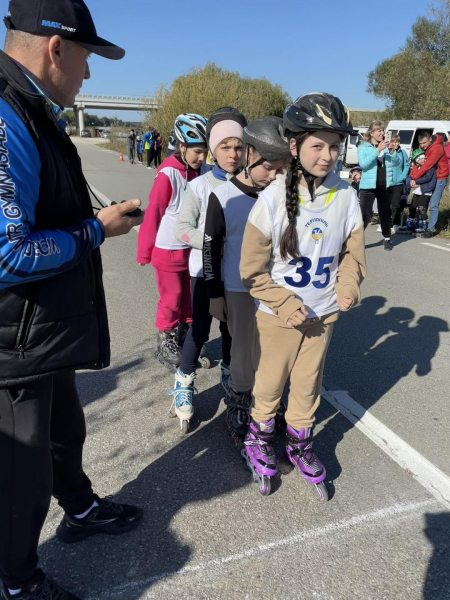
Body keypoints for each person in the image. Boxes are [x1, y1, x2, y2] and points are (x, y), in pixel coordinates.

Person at [0, 1, 145, 599]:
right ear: (56, 48)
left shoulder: (33, 106)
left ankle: (80, 509)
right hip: (13, 340)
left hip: (42, 329)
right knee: (20, 470)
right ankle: (17, 580)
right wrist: (95, 231)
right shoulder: (6, 116)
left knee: (65, 429)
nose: (88, 75)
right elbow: (8, 254)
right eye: (86, 57)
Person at [240, 93, 366, 498]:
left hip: (323, 315)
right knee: (270, 383)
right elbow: (252, 272)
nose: (327, 155)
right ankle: (258, 439)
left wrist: (348, 284)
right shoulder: (272, 199)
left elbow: (352, 255)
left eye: (334, 145)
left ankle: (299, 443)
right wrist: (286, 303)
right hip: (279, 317)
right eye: (317, 145)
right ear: (293, 147)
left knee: (308, 386)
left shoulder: (346, 197)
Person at [203, 116, 290, 448]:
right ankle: (240, 402)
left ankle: (269, 401)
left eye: (282, 169)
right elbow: (210, 246)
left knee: (273, 349)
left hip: (276, 287)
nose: (275, 176)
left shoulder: (282, 195)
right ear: (249, 154)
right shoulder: (223, 196)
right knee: (241, 349)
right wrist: (214, 294)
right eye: (269, 167)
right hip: (237, 287)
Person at [171, 107, 247, 432]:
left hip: (237, 276)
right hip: (204, 272)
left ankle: (230, 384)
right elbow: (181, 228)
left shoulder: (250, 185)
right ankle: (184, 385)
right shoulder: (199, 185)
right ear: (213, 150)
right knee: (200, 330)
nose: (233, 154)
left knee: (231, 334)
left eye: (239, 147)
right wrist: (209, 241)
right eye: (225, 147)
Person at [136, 114, 208, 378]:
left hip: (192, 250)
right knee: (172, 298)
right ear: (182, 147)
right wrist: (145, 250)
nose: (201, 158)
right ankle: (165, 340)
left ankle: (186, 340)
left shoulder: (202, 173)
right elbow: (154, 211)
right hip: (167, 249)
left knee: (189, 299)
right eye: (197, 152)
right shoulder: (168, 173)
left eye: (205, 152)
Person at [358, 121, 401, 251]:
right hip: (368, 185)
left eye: (383, 131)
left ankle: (387, 239)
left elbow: (397, 163)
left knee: (385, 213)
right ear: (372, 133)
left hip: (383, 184)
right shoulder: (363, 147)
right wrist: (377, 150)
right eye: (379, 131)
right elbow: (364, 164)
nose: (382, 133)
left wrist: (392, 152)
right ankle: (356, 240)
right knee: (364, 214)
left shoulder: (386, 147)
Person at [413, 131, 449, 237]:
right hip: (428, 178)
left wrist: (415, 178)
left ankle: (430, 229)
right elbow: (416, 162)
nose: (422, 146)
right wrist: (413, 177)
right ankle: (420, 224)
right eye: (421, 143)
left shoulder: (437, 148)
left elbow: (427, 165)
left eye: (424, 143)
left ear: (429, 139)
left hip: (439, 178)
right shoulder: (423, 146)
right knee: (423, 202)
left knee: (433, 204)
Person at [400, 149, 437, 234]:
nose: (422, 160)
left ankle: (422, 225)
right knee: (413, 206)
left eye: (423, 158)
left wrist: (416, 182)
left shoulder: (430, 166)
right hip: (418, 190)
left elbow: (427, 178)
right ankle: (409, 223)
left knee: (422, 208)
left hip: (426, 190)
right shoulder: (418, 167)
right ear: (416, 161)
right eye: (419, 159)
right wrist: (413, 182)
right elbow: (414, 176)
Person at [388, 134, 409, 232]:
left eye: (397, 142)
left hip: (398, 183)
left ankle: (395, 223)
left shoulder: (403, 152)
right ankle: (385, 222)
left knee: (396, 205)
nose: (396, 144)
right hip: (388, 182)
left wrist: (403, 176)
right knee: (386, 204)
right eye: (393, 142)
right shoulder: (387, 151)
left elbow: (406, 165)